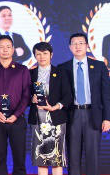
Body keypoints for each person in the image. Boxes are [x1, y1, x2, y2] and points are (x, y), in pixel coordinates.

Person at [61, 32, 110, 175]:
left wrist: (107, 118)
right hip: (72, 115)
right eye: (74, 44)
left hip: (93, 114)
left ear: (87, 46)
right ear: (70, 47)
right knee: (73, 155)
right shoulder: (63, 68)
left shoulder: (99, 66)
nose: (78, 46)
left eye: (81, 43)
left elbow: (106, 94)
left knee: (92, 155)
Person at [0, 34, 31, 175]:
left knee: (19, 158)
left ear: (13, 49)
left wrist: (16, 115)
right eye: (1, 47)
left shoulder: (22, 70)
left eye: (8, 47)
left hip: (17, 120)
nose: (5, 50)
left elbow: (26, 95)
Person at [28, 42, 70, 175]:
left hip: (56, 119)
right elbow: (24, 95)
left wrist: (55, 107)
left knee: (57, 158)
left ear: (51, 55)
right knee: (41, 157)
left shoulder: (61, 72)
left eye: (45, 53)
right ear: (35, 56)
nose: (42, 57)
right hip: (37, 119)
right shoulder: (30, 73)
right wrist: (31, 99)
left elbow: (68, 96)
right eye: (38, 54)